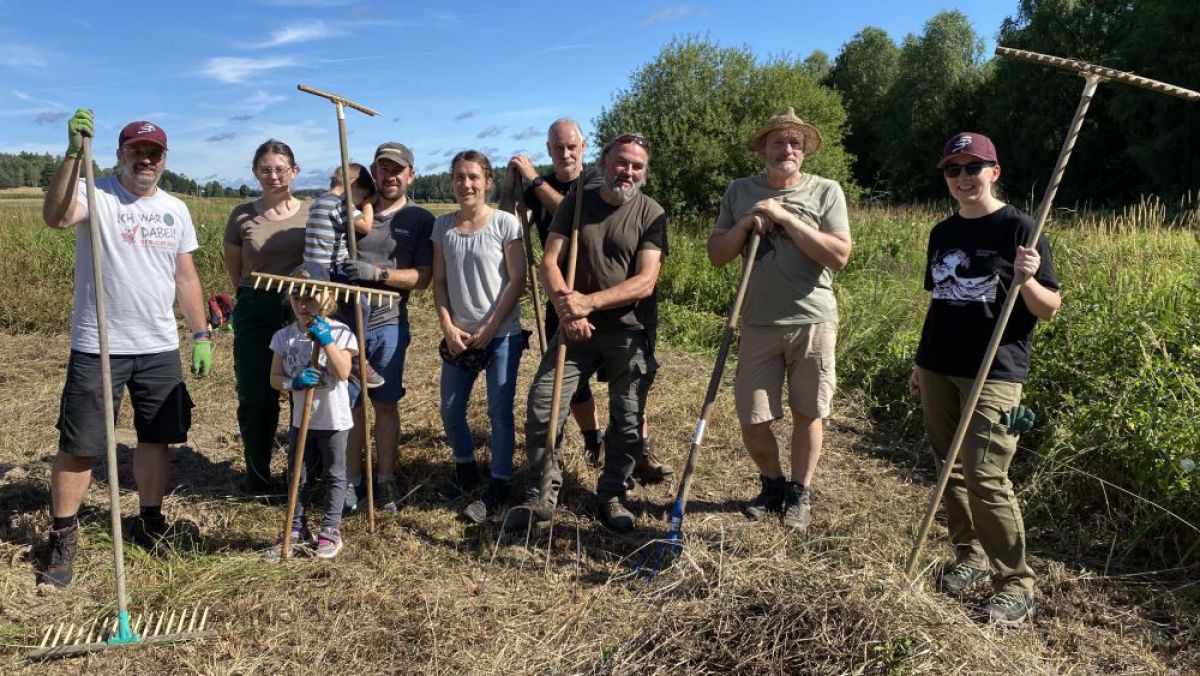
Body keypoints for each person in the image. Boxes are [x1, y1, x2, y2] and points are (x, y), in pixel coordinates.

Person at [37, 110, 211, 587]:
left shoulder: (175, 208)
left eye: (154, 153)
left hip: (158, 345)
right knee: (80, 445)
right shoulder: (96, 193)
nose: (145, 160)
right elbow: (54, 216)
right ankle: (63, 537)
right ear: (120, 154)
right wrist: (73, 154)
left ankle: (149, 521)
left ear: (164, 159)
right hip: (99, 344)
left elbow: (185, 275)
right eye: (137, 151)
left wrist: (200, 335)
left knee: (156, 438)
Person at [909, 132, 1060, 625]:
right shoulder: (942, 233)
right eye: (953, 170)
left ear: (994, 172)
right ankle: (969, 558)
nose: (962, 178)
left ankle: (1016, 583)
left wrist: (1029, 278)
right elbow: (940, 300)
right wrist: (919, 361)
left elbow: (1049, 308)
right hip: (938, 365)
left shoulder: (1022, 228)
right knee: (947, 468)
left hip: (994, 371)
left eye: (972, 167)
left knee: (984, 473)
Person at [500, 119, 672, 483]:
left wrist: (587, 302)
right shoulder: (577, 202)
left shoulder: (648, 211)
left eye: (637, 166)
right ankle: (545, 488)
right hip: (571, 313)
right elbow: (543, 255)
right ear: (605, 161)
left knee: (628, 409)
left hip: (627, 327)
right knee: (547, 402)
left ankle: (618, 484)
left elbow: (645, 282)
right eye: (621, 163)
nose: (627, 171)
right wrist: (569, 308)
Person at [707, 107, 852, 533]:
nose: (787, 149)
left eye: (795, 143)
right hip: (756, 321)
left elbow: (839, 256)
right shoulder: (739, 191)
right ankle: (771, 485)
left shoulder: (826, 191)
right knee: (753, 416)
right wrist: (746, 225)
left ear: (804, 152)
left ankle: (799, 493)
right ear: (761, 150)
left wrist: (787, 217)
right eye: (778, 142)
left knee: (809, 412)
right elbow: (717, 255)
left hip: (813, 321)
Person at [339, 142, 436, 514]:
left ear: (410, 175)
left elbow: (422, 278)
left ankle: (386, 479)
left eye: (398, 169)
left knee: (384, 402)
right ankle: (350, 480)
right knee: (350, 404)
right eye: (384, 168)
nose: (390, 176)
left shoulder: (419, 219)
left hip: (388, 320)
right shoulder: (350, 210)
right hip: (345, 320)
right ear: (374, 172)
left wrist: (378, 274)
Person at [432, 151, 527, 523]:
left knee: (499, 411)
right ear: (451, 182)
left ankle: (500, 484)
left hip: (502, 333)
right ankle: (465, 468)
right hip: (459, 334)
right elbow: (439, 282)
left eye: (473, 177)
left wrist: (489, 328)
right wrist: (447, 326)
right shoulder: (442, 228)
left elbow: (517, 279)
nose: (466, 184)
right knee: (451, 408)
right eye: (459, 177)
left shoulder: (505, 224)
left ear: (488, 181)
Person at [224, 139, 309, 495]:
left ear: (294, 171)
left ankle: (303, 476)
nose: (273, 176)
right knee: (257, 394)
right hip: (256, 309)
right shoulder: (242, 215)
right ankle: (258, 477)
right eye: (265, 169)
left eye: (280, 168)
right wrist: (252, 301)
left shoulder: (312, 212)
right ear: (256, 173)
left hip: (300, 309)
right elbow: (236, 270)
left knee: (303, 390)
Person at [267, 264, 356, 559]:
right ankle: (296, 527)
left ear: (327, 297)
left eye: (310, 298)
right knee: (298, 474)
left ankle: (331, 529)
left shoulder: (341, 332)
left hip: (334, 418)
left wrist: (327, 341)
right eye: (296, 298)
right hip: (300, 419)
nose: (303, 306)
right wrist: (295, 382)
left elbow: (343, 372)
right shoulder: (284, 337)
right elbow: (274, 379)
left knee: (334, 473)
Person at [304, 162, 383, 389]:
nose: (360, 202)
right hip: (329, 268)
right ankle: (357, 358)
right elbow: (366, 226)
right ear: (352, 185)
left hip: (312, 268)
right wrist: (369, 203)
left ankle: (342, 354)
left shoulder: (318, 201)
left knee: (334, 312)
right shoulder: (339, 203)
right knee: (361, 307)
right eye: (362, 195)